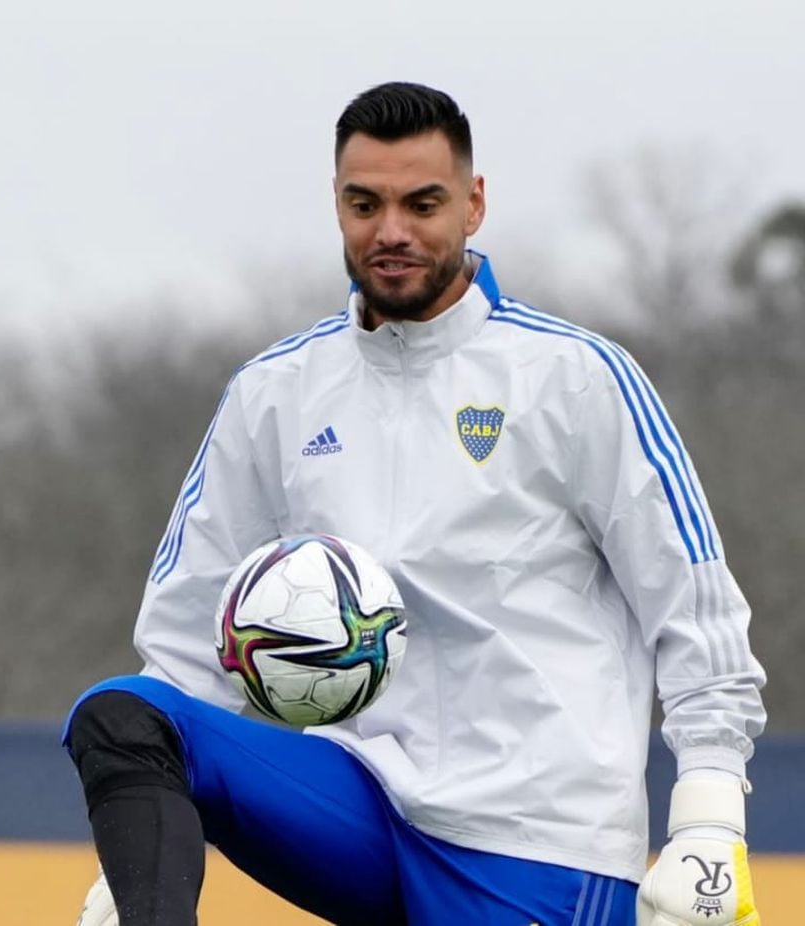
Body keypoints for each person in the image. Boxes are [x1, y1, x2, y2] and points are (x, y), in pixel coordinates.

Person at [64, 82, 766, 926]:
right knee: (123, 719)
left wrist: (709, 817)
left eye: (421, 203)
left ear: (473, 205)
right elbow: (185, 643)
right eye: (365, 203)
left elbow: (694, 609)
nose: (390, 230)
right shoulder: (276, 392)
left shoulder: (577, 379)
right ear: (337, 206)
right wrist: (132, 862)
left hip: (536, 841)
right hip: (359, 808)